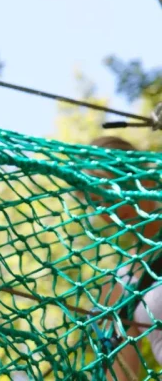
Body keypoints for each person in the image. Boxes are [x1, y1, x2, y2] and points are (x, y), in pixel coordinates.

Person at [83, 136, 161, 380]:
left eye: (109, 188)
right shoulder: (121, 283)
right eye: (96, 202)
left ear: (141, 175)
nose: (108, 207)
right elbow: (121, 376)